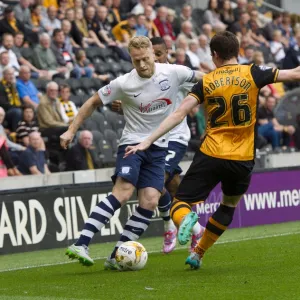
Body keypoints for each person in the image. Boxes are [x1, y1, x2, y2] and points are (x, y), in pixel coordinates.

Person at [124, 31, 300, 270]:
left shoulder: (206, 81)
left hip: (211, 153)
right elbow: (294, 73)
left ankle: (186, 220)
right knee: (228, 206)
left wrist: (147, 140)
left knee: (180, 203)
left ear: (214, 55)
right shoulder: (253, 72)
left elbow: (178, 114)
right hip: (243, 158)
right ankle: (198, 253)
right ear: (237, 51)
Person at [60, 36, 203, 268]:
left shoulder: (174, 72)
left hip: (159, 147)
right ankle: (81, 243)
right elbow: (91, 103)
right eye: (137, 61)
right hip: (132, 145)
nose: (143, 65)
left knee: (149, 201)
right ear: (131, 59)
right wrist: (70, 130)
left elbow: (206, 79)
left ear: (153, 54)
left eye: (146, 59)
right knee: (124, 192)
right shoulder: (124, 83)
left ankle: (116, 256)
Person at [112, 36, 205, 254]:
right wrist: (123, 106)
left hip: (174, 136)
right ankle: (188, 226)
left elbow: (206, 88)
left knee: (156, 181)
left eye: (159, 53)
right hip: (149, 138)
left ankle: (176, 225)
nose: (154, 58)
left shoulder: (176, 73)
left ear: (165, 53)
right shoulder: (139, 78)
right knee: (170, 185)